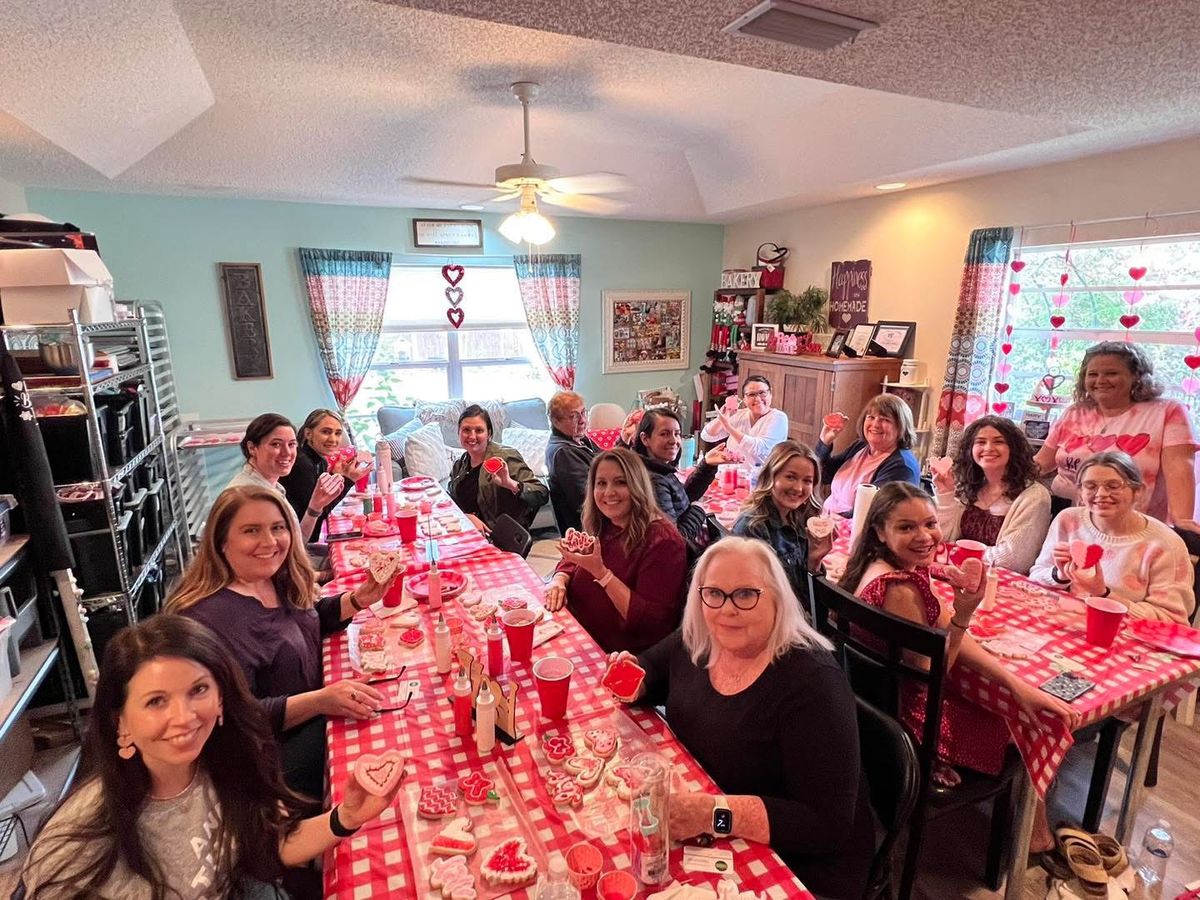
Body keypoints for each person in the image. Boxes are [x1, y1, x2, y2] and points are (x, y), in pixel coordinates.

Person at [19, 615, 404, 900]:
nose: (184, 717)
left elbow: (267, 844)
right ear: (120, 723)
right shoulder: (76, 847)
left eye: (198, 690)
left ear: (221, 698)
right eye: (156, 701)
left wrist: (346, 817)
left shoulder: (224, 764)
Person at [604, 538, 874, 899]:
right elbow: (654, 668)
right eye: (713, 593)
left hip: (800, 866)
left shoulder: (813, 684)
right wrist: (634, 680)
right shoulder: (702, 637)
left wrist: (712, 815)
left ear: (777, 598)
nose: (727, 609)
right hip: (712, 821)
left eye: (746, 594)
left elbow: (826, 827)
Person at [840, 482, 1078, 850]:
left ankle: (1035, 825)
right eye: (906, 527)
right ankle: (1035, 835)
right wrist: (965, 614)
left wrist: (1018, 685)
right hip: (908, 720)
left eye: (930, 524)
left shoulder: (877, 565)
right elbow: (929, 675)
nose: (925, 536)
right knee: (1023, 724)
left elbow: (945, 630)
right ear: (880, 532)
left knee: (1016, 698)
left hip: (873, 706)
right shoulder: (900, 589)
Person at [165, 486, 396, 798]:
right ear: (221, 542)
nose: (269, 542)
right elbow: (236, 717)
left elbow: (308, 618)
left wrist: (359, 599)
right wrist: (320, 700)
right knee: (377, 742)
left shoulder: (270, 579)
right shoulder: (209, 619)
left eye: (278, 528)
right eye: (251, 531)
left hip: (307, 714)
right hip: (264, 758)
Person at [1033, 341, 1197, 526]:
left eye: (1111, 373)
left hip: (1133, 528)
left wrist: (1182, 522)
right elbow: (1041, 463)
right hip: (1068, 521)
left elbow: (1180, 470)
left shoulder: (1167, 411)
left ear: (1137, 376)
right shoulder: (1074, 412)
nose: (1100, 380)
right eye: (1093, 374)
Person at [544, 448, 687, 653]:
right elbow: (576, 557)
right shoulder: (605, 522)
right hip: (573, 629)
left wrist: (602, 574)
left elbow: (652, 624)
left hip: (614, 653)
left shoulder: (663, 542)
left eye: (621, 482)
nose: (609, 492)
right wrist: (559, 579)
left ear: (637, 486)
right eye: (601, 483)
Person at [1029, 451, 1195, 623]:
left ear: (1138, 491)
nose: (1101, 493)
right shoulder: (1069, 520)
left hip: (1122, 638)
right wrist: (1059, 575)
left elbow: (1172, 620)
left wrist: (1103, 594)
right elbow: (1036, 576)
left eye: (1113, 486)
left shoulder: (1165, 544)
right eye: (1090, 486)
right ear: (1080, 492)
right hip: (1065, 623)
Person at [932, 415, 1051, 575]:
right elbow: (940, 538)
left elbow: (1014, 560)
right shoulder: (966, 486)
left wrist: (955, 553)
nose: (988, 448)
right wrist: (945, 494)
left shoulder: (1035, 496)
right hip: (956, 574)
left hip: (1002, 584)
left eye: (998, 441)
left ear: (1013, 449)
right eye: (980, 442)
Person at [732, 440, 834, 602]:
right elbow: (763, 599)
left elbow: (807, 596)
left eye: (807, 481)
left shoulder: (800, 518)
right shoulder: (753, 527)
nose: (799, 488)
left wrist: (814, 561)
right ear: (771, 476)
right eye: (790, 477)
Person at [227, 413, 345, 543]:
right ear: (252, 448)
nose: (287, 452)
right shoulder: (251, 496)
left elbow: (297, 541)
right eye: (276, 444)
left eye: (291, 444)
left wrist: (315, 507)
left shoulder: (273, 485)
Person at [633, 408, 729, 556]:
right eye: (664, 434)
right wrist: (698, 509)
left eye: (677, 434)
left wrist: (707, 465)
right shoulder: (653, 481)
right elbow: (676, 540)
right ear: (645, 439)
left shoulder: (659, 468)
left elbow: (681, 499)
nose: (674, 441)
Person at [448, 404, 548, 534]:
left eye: (479, 430)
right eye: (466, 430)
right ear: (459, 433)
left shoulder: (505, 457)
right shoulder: (460, 463)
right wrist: (467, 517)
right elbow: (452, 500)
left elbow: (542, 493)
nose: (472, 436)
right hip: (468, 531)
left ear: (489, 434)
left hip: (497, 536)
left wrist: (510, 484)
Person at [817, 393, 920, 516]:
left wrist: (829, 523)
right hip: (828, 520)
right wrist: (825, 442)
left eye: (885, 420)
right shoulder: (860, 446)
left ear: (901, 427)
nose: (875, 424)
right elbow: (824, 475)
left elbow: (869, 511)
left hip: (853, 529)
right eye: (871, 417)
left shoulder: (902, 467)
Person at [278, 408, 371, 542]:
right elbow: (320, 512)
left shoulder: (319, 460)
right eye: (326, 432)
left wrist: (335, 475)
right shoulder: (301, 464)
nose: (333, 439)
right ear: (308, 434)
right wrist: (349, 480)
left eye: (337, 433)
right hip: (298, 543)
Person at [700, 375, 790, 465]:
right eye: (751, 394)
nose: (758, 399)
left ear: (770, 394)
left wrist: (729, 427)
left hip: (759, 477)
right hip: (729, 474)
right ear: (744, 399)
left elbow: (759, 448)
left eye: (762, 393)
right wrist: (724, 416)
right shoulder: (739, 414)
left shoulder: (779, 418)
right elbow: (707, 436)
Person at [545, 391, 600, 534]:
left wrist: (624, 441)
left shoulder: (580, 439)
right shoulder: (563, 452)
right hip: (588, 527)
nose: (582, 420)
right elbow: (585, 499)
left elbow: (608, 462)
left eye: (583, 412)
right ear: (556, 422)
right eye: (573, 416)